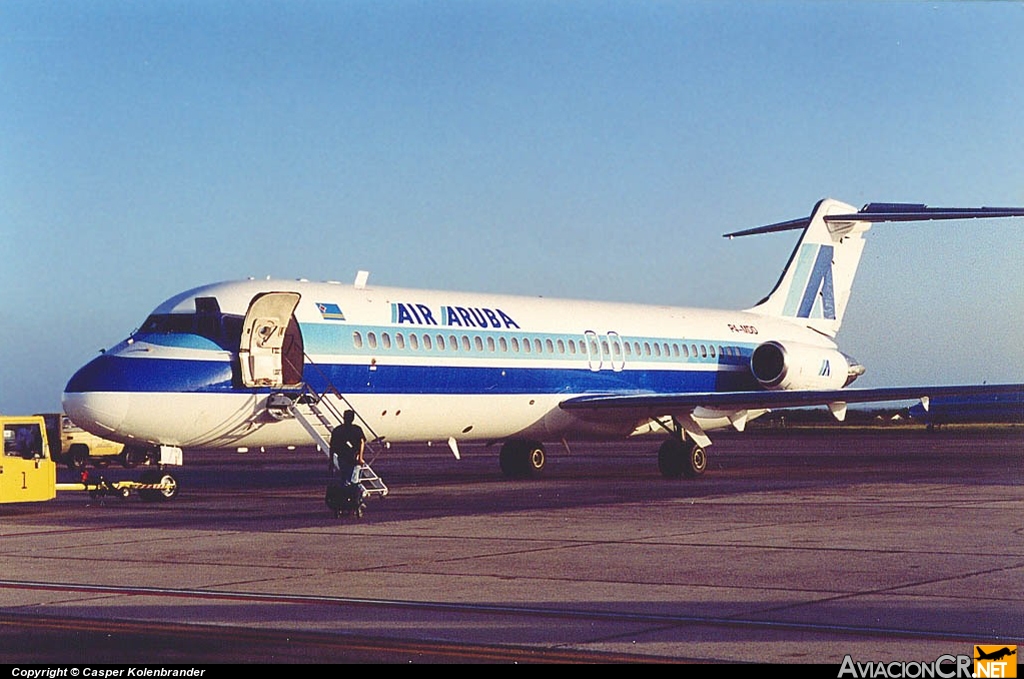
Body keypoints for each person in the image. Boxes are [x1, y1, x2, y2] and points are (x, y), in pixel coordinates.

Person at [329, 410, 365, 484]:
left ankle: (347, 492)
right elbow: (361, 442)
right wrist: (360, 457)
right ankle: (352, 493)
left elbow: (332, 446)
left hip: (343, 457)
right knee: (354, 480)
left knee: (345, 478)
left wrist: (331, 461)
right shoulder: (357, 429)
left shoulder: (338, 430)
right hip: (353, 456)